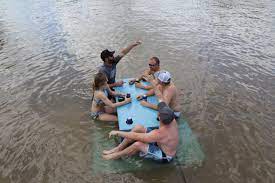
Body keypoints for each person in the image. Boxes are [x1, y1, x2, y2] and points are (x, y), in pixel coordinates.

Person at [102, 102, 179, 163]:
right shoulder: (171, 119)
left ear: (159, 118)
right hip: (161, 142)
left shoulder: (160, 133)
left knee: (138, 144)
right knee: (138, 127)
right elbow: (161, 102)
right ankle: (118, 148)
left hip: (165, 155)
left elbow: (136, 136)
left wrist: (118, 132)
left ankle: (116, 155)